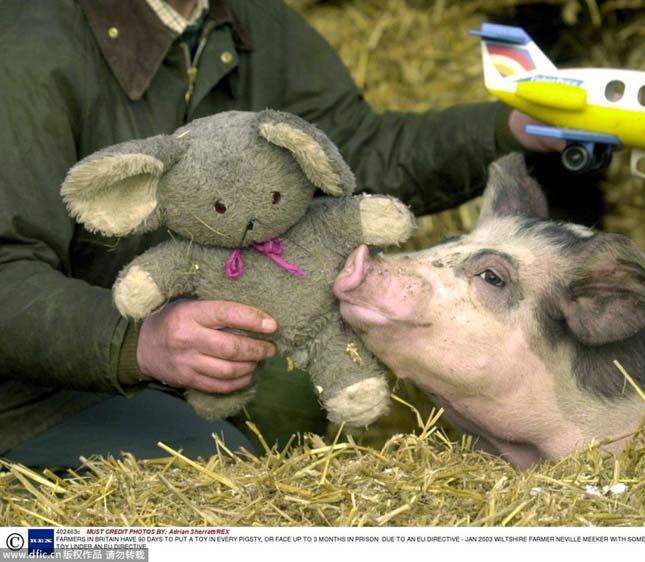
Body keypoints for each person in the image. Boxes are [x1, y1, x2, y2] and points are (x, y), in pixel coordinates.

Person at [0, 0, 559, 467]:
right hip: (37, 393)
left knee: (294, 401)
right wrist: (138, 343)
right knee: (215, 478)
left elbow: (349, 152)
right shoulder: (29, 43)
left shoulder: (248, 18)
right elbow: (7, 269)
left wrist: (507, 128)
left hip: (201, 335)